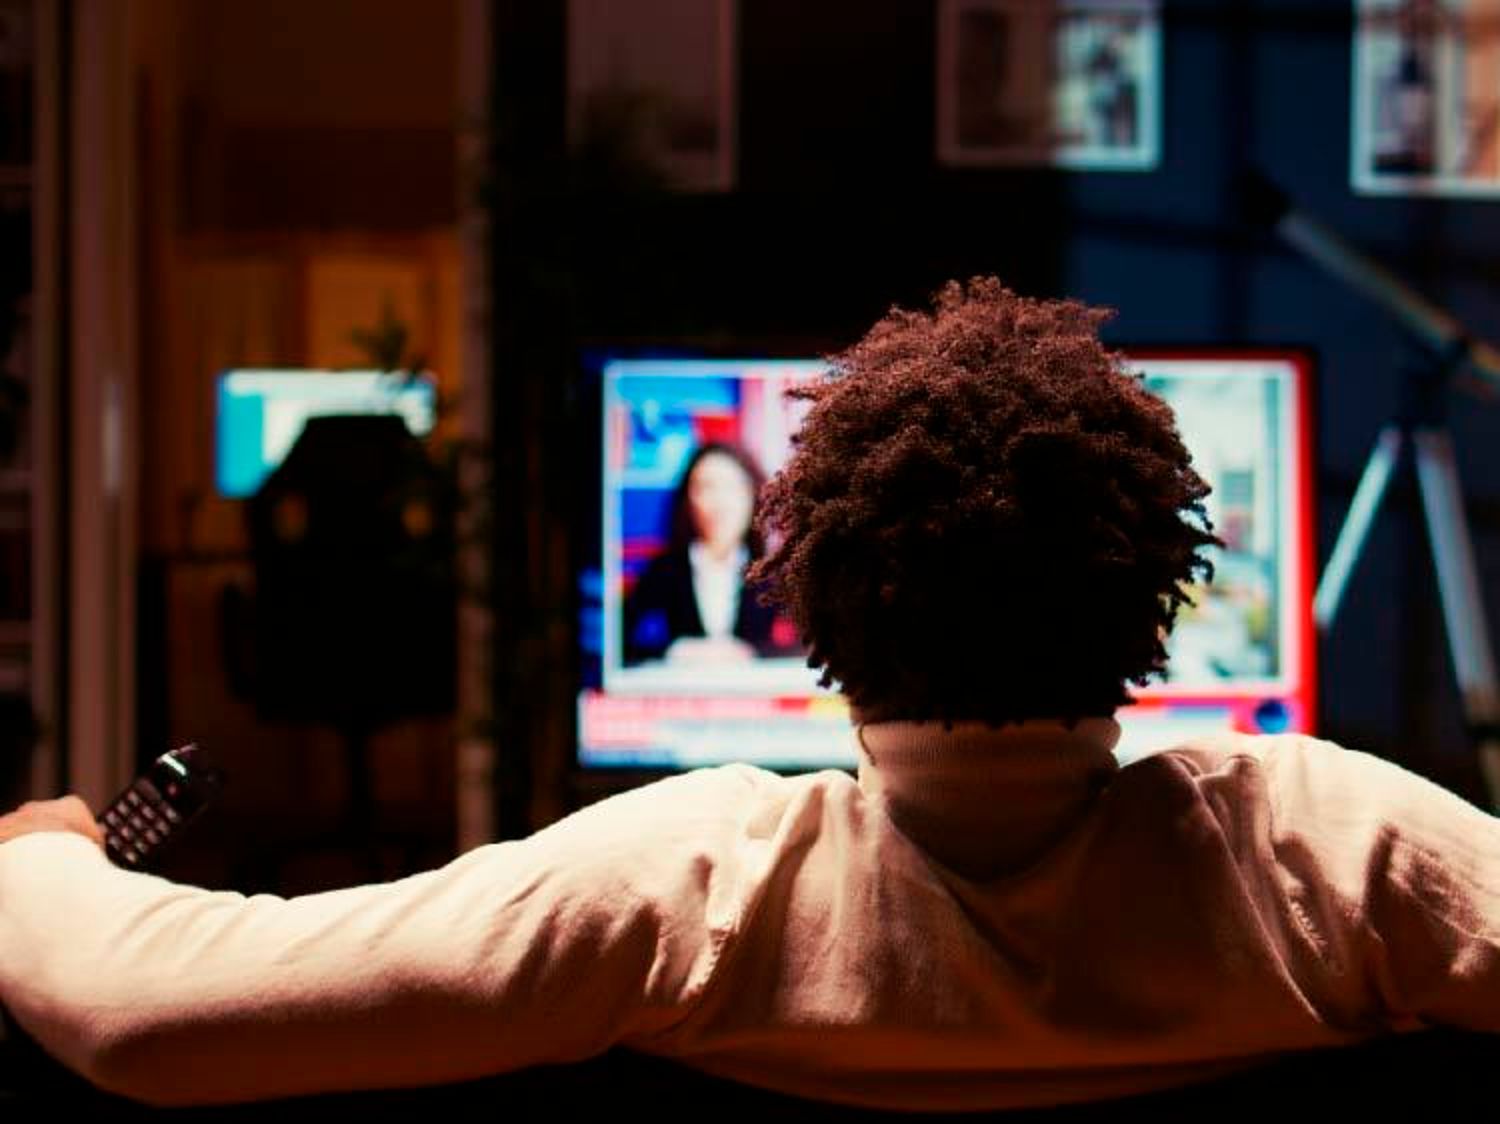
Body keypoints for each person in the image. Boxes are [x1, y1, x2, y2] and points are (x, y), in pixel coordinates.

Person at [4, 278, 1500, 1112]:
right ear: (1156, 581)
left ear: (821, 591)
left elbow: (145, 1016)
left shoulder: (690, 884)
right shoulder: (1328, 848)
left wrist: (39, 856)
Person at [621, 441, 796, 666]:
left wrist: (752, 654)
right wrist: (675, 651)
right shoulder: (663, 571)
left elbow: (807, 649)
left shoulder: (773, 576)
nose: (720, 502)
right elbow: (618, 643)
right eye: (706, 487)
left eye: (731, 487)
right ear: (687, 500)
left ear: (753, 496)